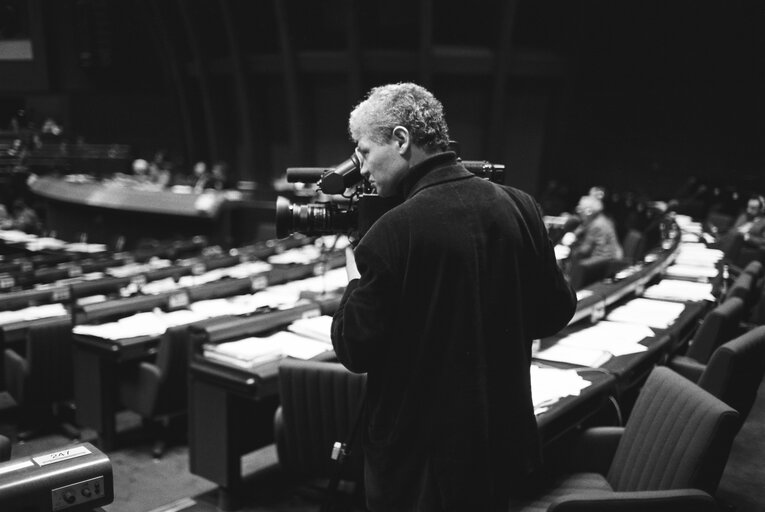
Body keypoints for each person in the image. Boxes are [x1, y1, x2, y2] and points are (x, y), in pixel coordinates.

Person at [330, 83, 577, 511]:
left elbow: (355, 347)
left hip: (421, 472)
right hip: (504, 449)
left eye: (365, 152)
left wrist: (354, 276)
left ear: (401, 140)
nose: (363, 170)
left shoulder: (391, 232)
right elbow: (556, 312)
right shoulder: (522, 207)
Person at [562, 194, 623, 264]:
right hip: (607, 258)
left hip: (605, 261)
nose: (578, 212)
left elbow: (585, 249)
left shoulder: (597, 225)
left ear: (589, 211)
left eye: (580, 209)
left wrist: (570, 250)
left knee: (573, 262)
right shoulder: (599, 219)